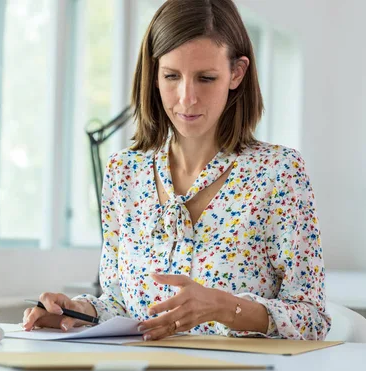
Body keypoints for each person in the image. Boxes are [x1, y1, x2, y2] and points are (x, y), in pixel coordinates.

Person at [23, 0, 330, 341]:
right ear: (154, 74)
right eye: (171, 76)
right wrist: (76, 312)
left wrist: (228, 308)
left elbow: (312, 319)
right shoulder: (124, 172)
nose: (187, 98)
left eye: (206, 78)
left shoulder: (278, 173)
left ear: (236, 73)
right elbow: (120, 303)